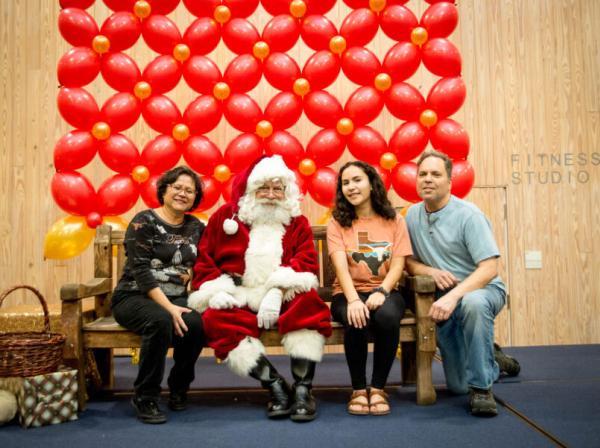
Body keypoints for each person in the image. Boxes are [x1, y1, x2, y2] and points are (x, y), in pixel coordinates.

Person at [188, 155, 332, 422]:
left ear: (286, 192)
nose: (270, 194)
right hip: (238, 293)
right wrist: (216, 290)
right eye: (263, 188)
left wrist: (278, 290)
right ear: (250, 190)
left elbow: (306, 260)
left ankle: (303, 389)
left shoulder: (296, 221)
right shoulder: (225, 217)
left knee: (309, 305)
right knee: (214, 319)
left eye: (278, 188)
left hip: (283, 294)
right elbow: (205, 258)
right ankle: (275, 385)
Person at [405, 149, 519, 417]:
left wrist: (454, 295)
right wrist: (430, 271)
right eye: (423, 174)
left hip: (481, 292)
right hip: (444, 301)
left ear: (449, 181)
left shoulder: (470, 215)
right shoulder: (411, 215)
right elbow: (407, 261)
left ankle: (482, 389)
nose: (428, 179)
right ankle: (491, 358)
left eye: (436, 174)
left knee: (473, 303)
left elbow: (489, 268)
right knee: (457, 386)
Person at [111, 166, 206, 424]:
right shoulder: (144, 221)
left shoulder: (196, 226)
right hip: (134, 296)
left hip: (176, 298)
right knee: (160, 321)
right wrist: (170, 308)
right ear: (164, 190)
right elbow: (140, 272)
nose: (182, 193)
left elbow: (207, 262)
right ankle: (146, 395)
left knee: (197, 323)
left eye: (189, 190)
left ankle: (179, 387)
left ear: (195, 197)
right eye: (177, 187)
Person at [326, 161, 413, 416]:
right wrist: (353, 300)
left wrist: (382, 292)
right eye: (345, 183)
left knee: (387, 316)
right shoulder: (338, 222)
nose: (351, 187)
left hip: (384, 290)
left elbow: (398, 264)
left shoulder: (394, 220)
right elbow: (340, 267)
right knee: (357, 318)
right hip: (347, 293)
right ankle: (357, 388)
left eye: (357, 180)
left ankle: (377, 388)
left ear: (371, 183)